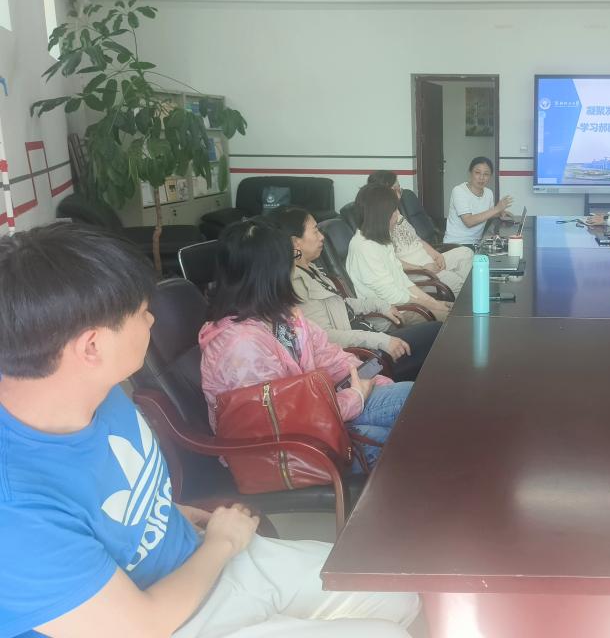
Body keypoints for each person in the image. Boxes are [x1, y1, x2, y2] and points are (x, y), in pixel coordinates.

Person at [0, 223, 418, 638]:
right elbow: (141, 626)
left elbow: (110, 496)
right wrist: (222, 543)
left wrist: (170, 515)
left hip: (202, 557)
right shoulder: (15, 511)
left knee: (402, 597)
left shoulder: (95, 392)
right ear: (91, 347)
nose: (151, 320)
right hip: (170, 616)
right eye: (140, 312)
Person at [200, 218, 414, 471]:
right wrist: (354, 397)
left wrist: (368, 380)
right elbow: (281, 422)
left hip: (322, 412)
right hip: (281, 454)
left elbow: (327, 355)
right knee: (398, 441)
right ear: (269, 273)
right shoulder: (241, 346)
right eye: (288, 260)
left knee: (413, 401)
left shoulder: (281, 317)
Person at [268, 205, 442, 380]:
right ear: (295, 242)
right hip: (362, 358)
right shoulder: (295, 285)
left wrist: (380, 305)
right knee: (436, 333)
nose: (322, 237)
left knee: (437, 333)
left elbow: (343, 304)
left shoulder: (311, 269)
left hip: (370, 338)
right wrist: (381, 340)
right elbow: (326, 336)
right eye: (315, 231)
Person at [349, 185, 453, 320]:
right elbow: (390, 295)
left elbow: (403, 280)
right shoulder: (364, 247)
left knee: (458, 311)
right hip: (391, 316)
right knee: (454, 319)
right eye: (394, 211)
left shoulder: (382, 240)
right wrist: (431, 305)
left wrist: (434, 302)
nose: (398, 215)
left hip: (407, 304)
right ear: (382, 216)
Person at [366, 170, 473, 296]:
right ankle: (456, 296)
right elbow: (392, 263)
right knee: (459, 283)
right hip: (414, 273)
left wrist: (436, 255)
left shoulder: (397, 213)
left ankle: (455, 297)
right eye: (394, 190)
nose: (399, 195)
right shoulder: (379, 225)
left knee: (466, 253)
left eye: (399, 189)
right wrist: (423, 269)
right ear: (380, 194)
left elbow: (416, 239)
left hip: (428, 262)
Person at [443, 157, 512, 245]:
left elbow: (487, 214)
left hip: (477, 243)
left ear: (490, 176)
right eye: (477, 173)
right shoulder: (459, 191)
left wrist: (501, 213)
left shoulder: (488, 193)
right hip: (456, 244)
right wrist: (497, 209)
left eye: (486, 174)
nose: (481, 177)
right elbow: (469, 221)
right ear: (470, 173)